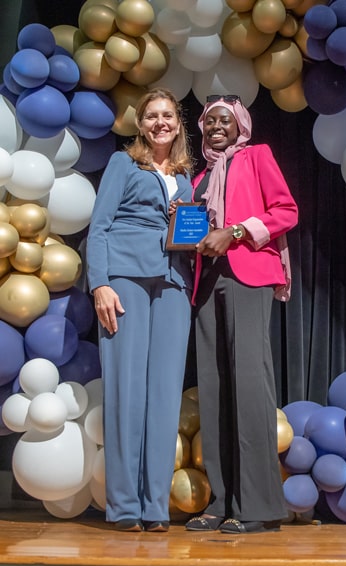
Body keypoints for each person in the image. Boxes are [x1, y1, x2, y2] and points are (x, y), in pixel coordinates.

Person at [183, 95, 298, 535]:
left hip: (249, 276)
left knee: (249, 387)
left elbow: (286, 211)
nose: (215, 126)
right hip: (208, 284)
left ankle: (260, 506)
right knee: (213, 391)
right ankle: (221, 500)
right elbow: (193, 232)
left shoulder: (256, 157)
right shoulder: (199, 178)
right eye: (209, 120)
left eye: (223, 120)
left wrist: (234, 232)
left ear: (240, 126)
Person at [87, 88, 194, 532]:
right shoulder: (122, 163)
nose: (160, 122)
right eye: (152, 116)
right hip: (126, 280)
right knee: (126, 392)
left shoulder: (188, 177)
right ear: (141, 124)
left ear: (178, 122)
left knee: (165, 396)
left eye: (167, 115)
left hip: (172, 283)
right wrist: (100, 285)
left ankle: (155, 506)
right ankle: (126, 506)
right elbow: (99, 227)